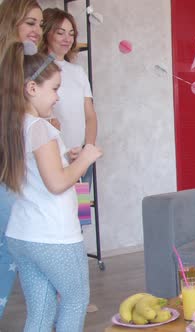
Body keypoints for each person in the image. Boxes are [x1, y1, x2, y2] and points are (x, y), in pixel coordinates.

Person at [0, 41, 102, 331]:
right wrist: (85, 158)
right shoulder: (40, 127)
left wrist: (66, 157)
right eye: (55, 88)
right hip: (53, 235)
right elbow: (57, 183)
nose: (58, 97)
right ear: (32, 88)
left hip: (22, 235)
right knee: (75, 300)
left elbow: (39, 171)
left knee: (41, 311)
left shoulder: (14, 125)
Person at [0, 0, 42, 319]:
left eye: (40, 25)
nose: (36, 32)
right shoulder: (14, 59)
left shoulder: (21, 61)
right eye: (30, 23)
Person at [39, 8, 97, 183]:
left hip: (80, 160)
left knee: (81, 210)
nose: (67, 39)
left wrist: (87, 151)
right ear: (46, 33)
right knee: (58, 210)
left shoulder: (78, 72)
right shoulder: (35, 70)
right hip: (53, 160)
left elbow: (90, 117)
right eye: (60, 33)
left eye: (71, 34)